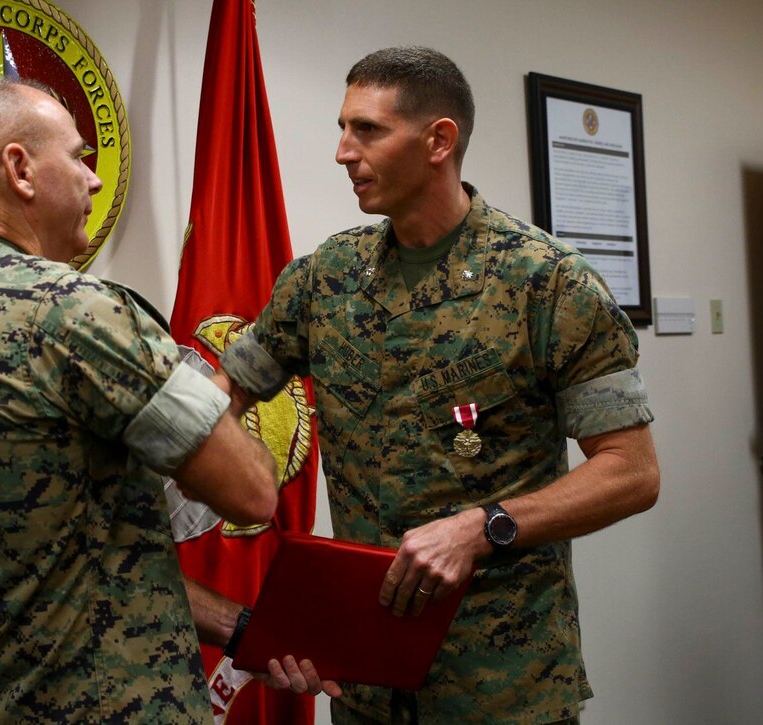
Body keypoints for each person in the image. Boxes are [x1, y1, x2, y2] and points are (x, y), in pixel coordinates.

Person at [217, 46, 661, 723]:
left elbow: (632, 471)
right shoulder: (325, 277)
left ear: (438, 140)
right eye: (343, 127)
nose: (342, 151)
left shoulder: (546, 283)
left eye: (366, 130)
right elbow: (225, 395)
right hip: (365, 682)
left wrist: (485, 527)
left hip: (503, 688)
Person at [0, 77, 280, 723]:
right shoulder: (71, 312)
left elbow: (68, 561)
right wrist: (243, 374)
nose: (93, 181)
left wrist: (242, 627)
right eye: (76, 156)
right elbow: (251, 492)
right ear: (20, 168)